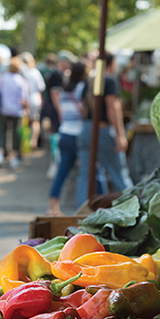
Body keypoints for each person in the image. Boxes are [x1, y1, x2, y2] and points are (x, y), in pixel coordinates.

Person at [76, 52, 133, 208]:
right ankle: (136, 207)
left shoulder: (90, 80)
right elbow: (112, 107)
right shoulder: (109, 80)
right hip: (102, 129)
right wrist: (121, 135)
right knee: (119, 174)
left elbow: (82, 105)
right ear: (112, 63)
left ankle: (81, 214)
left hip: (87, 128)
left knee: (85, 175)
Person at [47, 62, 88, 216]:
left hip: (64, 133)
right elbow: (83, 111)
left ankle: (52, 207)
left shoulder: (64, 90)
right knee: (87, 173)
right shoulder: (82, 89)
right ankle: (84, 208)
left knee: (61, 172)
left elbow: (61, 112)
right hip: (78, 134)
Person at [0, 58, 29, 169]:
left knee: (2, 132)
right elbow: (24, 98)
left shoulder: (3, 78)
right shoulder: (21, 80)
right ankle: (14, 157)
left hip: (3, 110)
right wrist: (26, 108)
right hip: (16, 111)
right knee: (15, 134)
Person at [21, 52, 46, 150]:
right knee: (35, 121)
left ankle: (26, 142)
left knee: (27, 123)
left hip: (26, 100)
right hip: (35, 99)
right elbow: (41, 87)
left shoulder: (24, 72)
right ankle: (33, 141)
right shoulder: (35, 72)